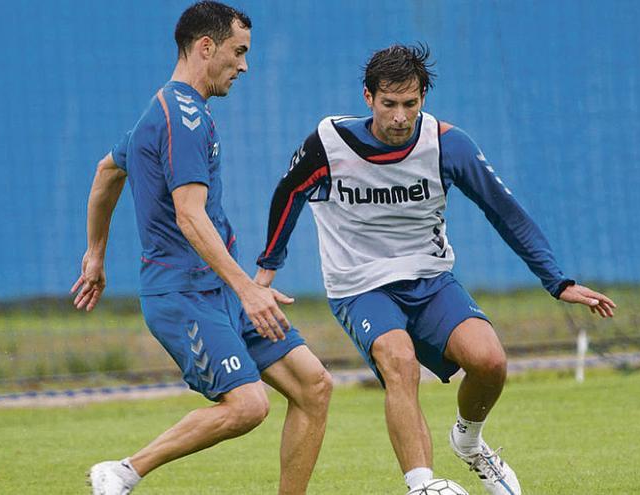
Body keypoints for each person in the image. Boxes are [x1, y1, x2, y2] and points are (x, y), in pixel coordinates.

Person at [255, 44, 616, 495]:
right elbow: (287, 196)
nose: (400, 117)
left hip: (430, 279)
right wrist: (265, 275)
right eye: (389, 104)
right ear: (368, 98)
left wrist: (557, 281)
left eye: (411, 104)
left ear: (424, 97)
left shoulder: (448, 144)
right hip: (359, 285)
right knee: (399, 360)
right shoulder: (328, 144)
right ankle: (423, 486)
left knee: (490, 361)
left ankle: (468, 441)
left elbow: (504, 210)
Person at [71, 3, 332, 494]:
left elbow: (107, 171)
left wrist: (95, 253)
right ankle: (122, 472)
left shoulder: (167, 109)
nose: (245, 66)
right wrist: (250, 291)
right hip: (185, 295)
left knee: (314, 386)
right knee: (250, 405)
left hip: (220, 293)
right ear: (205, 47)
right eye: (239, 52)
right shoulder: (183, 116)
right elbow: (189, 216)